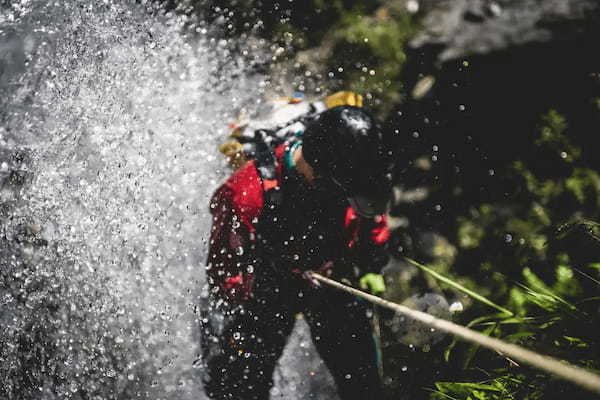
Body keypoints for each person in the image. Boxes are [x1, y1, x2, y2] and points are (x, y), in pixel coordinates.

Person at [201, 105, 394, 400]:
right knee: (241, 388)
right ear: (317, 172)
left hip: (332, 277)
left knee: (363, 385)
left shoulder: (354, 173)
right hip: (265, 287)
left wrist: (371, 265)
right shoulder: (246, 194)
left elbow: (370, 214)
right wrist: (252, 295)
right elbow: (225, 269)